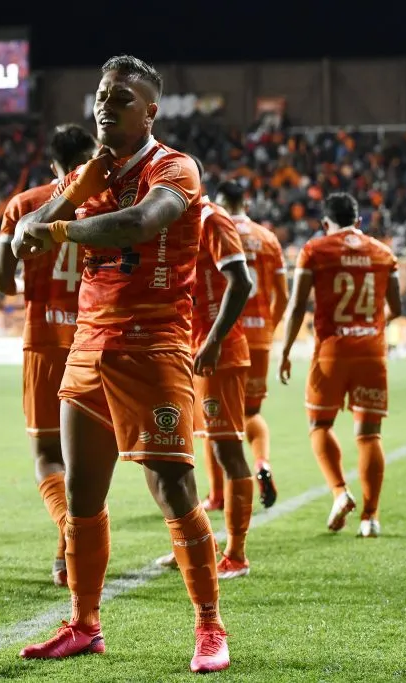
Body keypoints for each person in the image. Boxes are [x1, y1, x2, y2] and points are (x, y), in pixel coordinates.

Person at [11, 55, 230, 673]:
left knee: (172, 487)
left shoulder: (174, 167)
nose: (107, 105)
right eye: (102, 95)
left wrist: (62, 231)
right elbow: (28, 229)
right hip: (88, 347)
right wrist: (69, 197)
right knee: (83, 494)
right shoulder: (88, 175)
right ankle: (84, 624)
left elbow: (141, 222)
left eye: (123, 98)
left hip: (154, 346)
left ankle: (210, 626)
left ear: (151, 110)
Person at [0, 123, 98, 587]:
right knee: (87, 457)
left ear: (52, 163)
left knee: (46, 453)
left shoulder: (24, 204)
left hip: (44, 339)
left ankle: (66, 533)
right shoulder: (108, 199)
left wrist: (27, 282)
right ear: (91, 155)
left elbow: (1, 281)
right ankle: (66, 555)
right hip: (95, 337)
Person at [278, 193, 401, 538]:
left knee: (319, 423)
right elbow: (398, 307)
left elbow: (298, 305)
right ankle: (370, 518)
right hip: (371, 353)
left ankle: (338, 491)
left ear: (325, 224)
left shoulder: (314, 250)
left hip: (331, 352)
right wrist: (375, 325)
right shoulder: (383, 253)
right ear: (359, 222)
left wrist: (286, 351)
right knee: (369, 433)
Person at [156, 167, 255, 581]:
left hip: (219, 353)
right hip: (187, 351)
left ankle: (236, 553)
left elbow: (241, 282)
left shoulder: (212, 220)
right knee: (186, 453)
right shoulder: (174, 220)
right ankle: (204, 543)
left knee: (227, 451)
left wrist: (213, 341)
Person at [215, 181, 287, 509]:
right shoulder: (268, 239)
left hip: (224, 334)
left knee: (214, 418)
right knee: (252, 412)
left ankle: (217, 495)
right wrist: (268, 327)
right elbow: (282, 296)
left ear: (219, 202)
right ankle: (262, 464)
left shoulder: (216, 231)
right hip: (259, 338)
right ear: (246, 201)